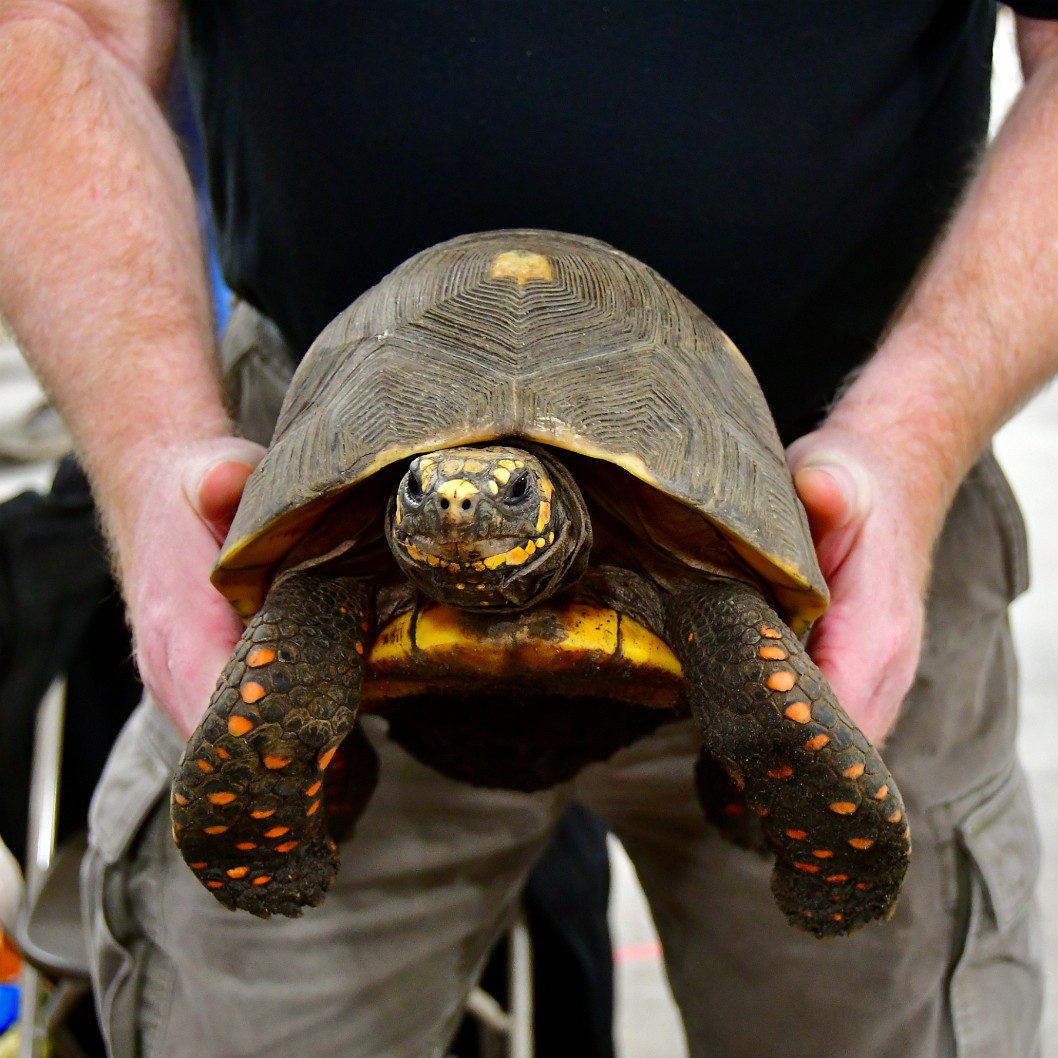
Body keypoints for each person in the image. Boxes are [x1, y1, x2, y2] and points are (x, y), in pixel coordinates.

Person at [0, 3, 1056, 1055]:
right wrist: (150, 459)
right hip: (315, 415)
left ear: (550, 508)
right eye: (431, 500)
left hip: (838, 470)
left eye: (497, 498)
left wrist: (908, 443)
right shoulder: (356, 559)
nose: (456, 514)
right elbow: (54, 26)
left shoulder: (696, 561)